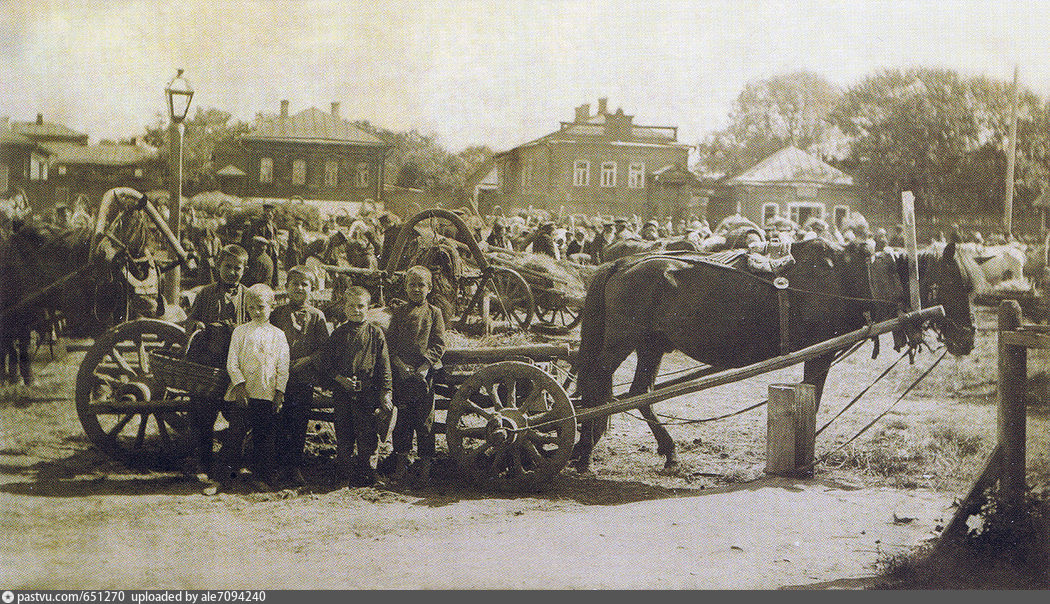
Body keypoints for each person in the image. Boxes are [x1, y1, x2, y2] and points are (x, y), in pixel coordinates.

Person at [181, 244, 250, 494]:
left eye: (237, 268)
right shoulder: (206, 293)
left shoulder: (248, 295)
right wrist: (197, 324)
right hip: (209, 363)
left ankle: (232, 464)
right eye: (228, 267)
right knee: (203, 416)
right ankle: (203, 464)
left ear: (245, 269)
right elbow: (192, 321)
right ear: (218, 267)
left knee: (239, 414)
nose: (232, 272)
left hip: (238, 366)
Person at [313, 286, 393, 487]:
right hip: (343, 393)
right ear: (344, 308)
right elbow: (326, 364)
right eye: (352, 306)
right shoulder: (339, 334)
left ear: (368, 308)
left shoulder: (376, 334)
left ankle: (369, 472)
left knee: (367, 433)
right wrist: (340, 379)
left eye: (361, 306)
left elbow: (384, 365)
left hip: (367, 393)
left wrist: (385, 392)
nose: (356, 310)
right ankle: (344, 474)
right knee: (344, 432)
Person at [382, 265, 445, 486]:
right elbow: (390, 344)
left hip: (423, 377)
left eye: (421, 285)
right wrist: (399, 364)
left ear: (429, 288)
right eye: (412, 284)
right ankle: (401, 463)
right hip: (403, 374)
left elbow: (439, 344)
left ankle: (425, 467)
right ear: (405, 287)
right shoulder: (399, 313)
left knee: (425, 422)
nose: (416, 289)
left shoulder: (434, 313)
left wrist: (426, 366)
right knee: (403, 421)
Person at [224, 283, 289, 492]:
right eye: (252, 308)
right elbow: (232, 362)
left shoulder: (278, 335)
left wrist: (279, 391)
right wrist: (240, 386)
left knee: (264, 436)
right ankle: (228, 476)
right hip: (243, 394)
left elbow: (283, 365)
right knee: (235, 434)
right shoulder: (240, 332)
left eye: (261, 307)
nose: (257, 312)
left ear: (272, 306)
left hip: (266, 393)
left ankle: (261, 476)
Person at [269, 266, 329, 487]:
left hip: (303, 378)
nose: (300, 288)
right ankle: (278, 467)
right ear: (286, 287)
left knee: (299, 421)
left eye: (305, 284)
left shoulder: (317, 316)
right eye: (295, 284)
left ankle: (294, 467)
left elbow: (324, 348)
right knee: (278, 419)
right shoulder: (277, 314)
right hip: (280, 377)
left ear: (312, 289)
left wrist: (307, 360)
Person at [241, 202, 280, 287]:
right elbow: (253, 237)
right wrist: (268, 242)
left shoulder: (273, 225)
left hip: (272, 249)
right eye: (267, 212)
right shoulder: (257, 224)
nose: (269, 214)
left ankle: (272, 285)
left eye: (271, 212)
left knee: (273, 265)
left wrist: (276, 243)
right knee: (262, 267)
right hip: (261, 250)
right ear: (264, 212)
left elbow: (276, 237)